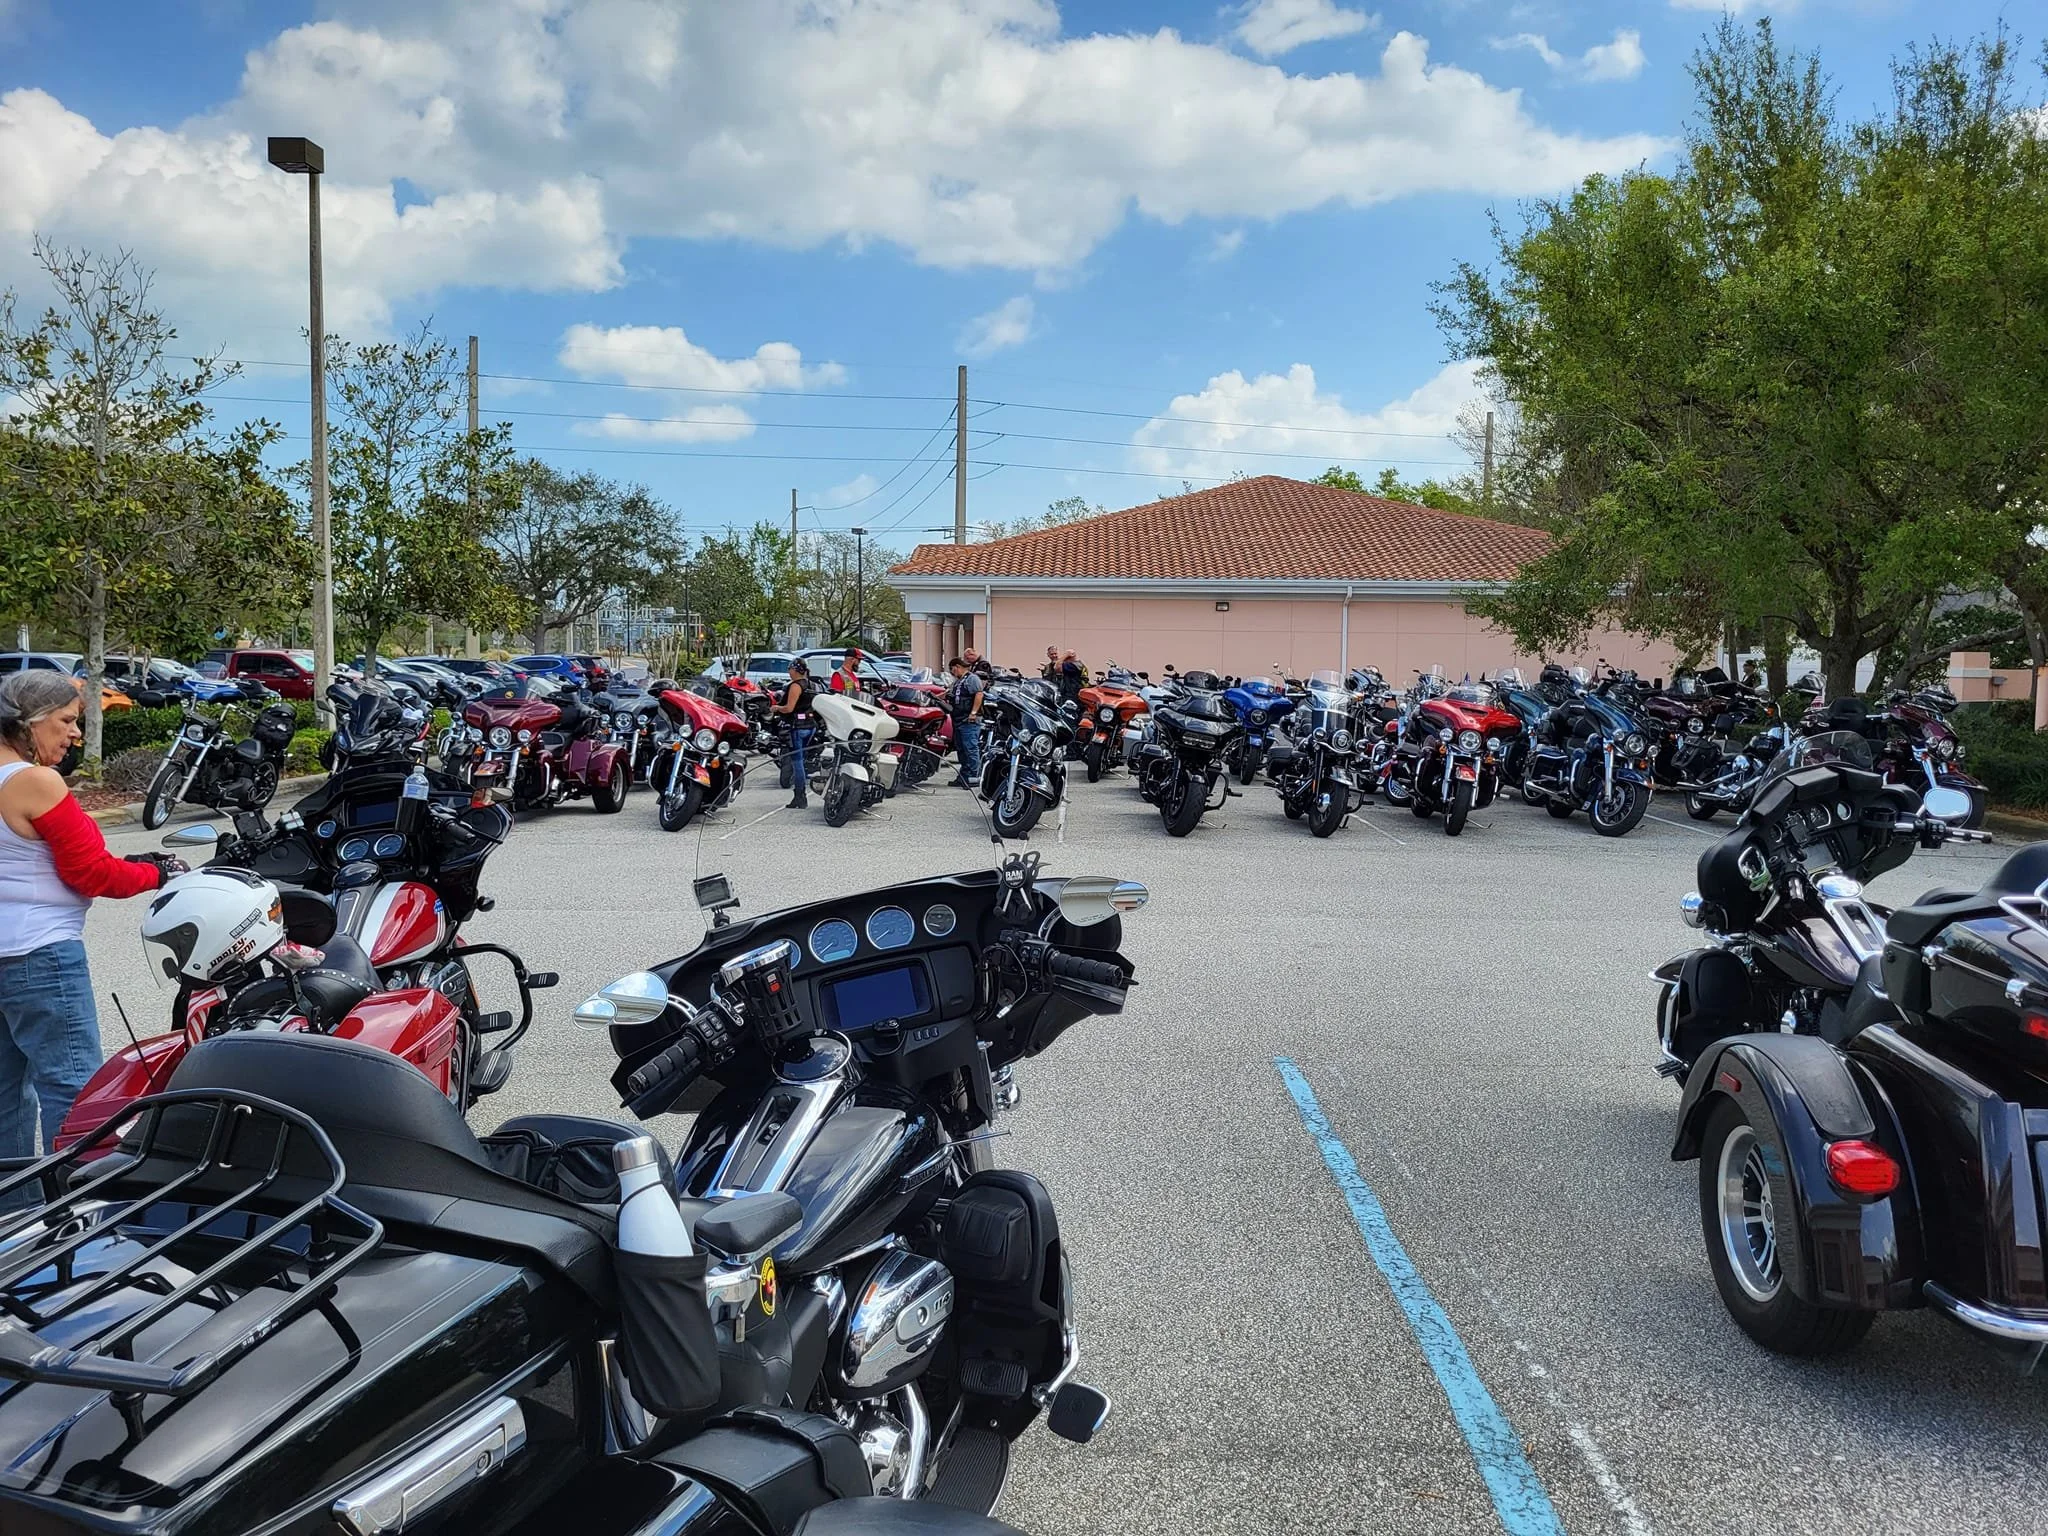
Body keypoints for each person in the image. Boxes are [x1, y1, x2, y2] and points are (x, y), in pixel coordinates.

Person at [0, 671, 183, 1162]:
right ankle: (75, 1203)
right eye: (66, 720)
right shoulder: (35, 782)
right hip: (41, 955)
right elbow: (92, 874)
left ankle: (15, 1205)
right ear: (30, 720)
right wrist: (157, 873)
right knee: (74, 1089)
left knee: (5, 1096)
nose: (75, 733)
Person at [774, 659, 819, 809]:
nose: (789, 672)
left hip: (797, 727)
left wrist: (776, 708)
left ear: (795, 670)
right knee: (801, 761)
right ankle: (800, 795)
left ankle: (800, 796)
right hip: (810, 725)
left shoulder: (796, 686)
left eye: (790, 669)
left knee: (797, 762)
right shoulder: (812, 684)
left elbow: (789, 708)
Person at [946, 656, 985, 789]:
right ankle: (963, 776)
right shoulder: (958, 682)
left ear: (957, 667)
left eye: (952, 670)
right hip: (958, 719)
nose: (952, 673)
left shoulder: (972, 679)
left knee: (970, 748)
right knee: (961, 749)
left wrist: (973, 712)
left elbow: (979, 694)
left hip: (969, 720)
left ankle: (973, 777)